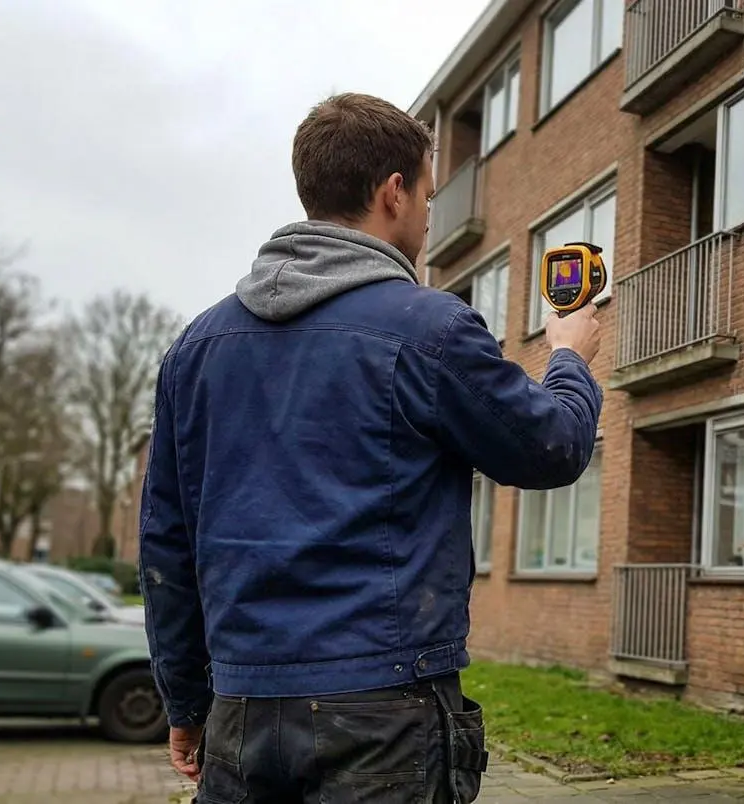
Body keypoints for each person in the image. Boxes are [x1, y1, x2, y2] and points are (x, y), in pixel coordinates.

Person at [137, 92, 603, 804]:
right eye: (426, 194)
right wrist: (570, 355)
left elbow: (166, 548)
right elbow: (553, 447)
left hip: (241, 711)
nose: (426, 214)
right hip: (382, 712)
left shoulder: (195, 350)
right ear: (392, 193)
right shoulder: (430, 330)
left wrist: (185, 703)